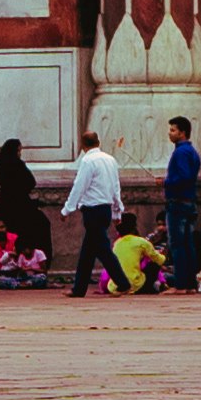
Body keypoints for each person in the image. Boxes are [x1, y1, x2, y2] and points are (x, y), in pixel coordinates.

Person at [62, 126, 127, 294]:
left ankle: (123, 282)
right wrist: (117, 210)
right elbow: (115, 187)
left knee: (102, 250)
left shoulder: (88, 161)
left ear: (83, 146)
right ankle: (79, 288)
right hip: (105, 209)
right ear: (98, 142)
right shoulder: (110, 160)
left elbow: (80, 186)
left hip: (92, 210)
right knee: (88, 252)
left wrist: (67, 209)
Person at [160, 116, 201, 286]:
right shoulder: (191, 152)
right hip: (189, 201)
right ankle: (189, 283)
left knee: (177, 244)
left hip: (178, 202)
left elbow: (184, 177)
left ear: (182, 133)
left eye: (173, 130)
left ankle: (180, 284)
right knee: (188, 244)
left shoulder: (180, 152)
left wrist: (165, 182)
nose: (170, 133)